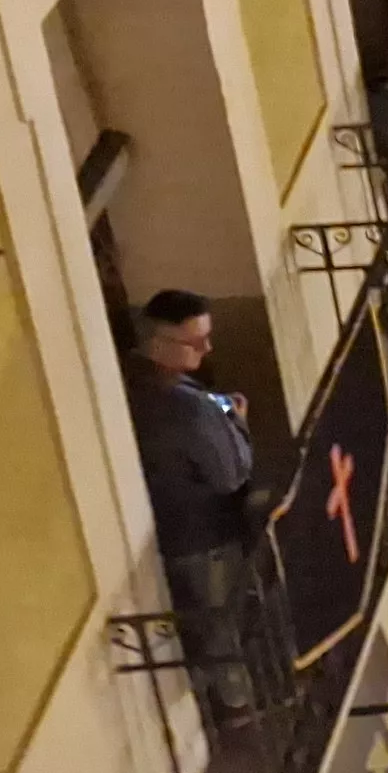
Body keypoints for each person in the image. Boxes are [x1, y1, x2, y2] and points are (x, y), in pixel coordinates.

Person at [123, 291, 260, 710]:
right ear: (158, 341)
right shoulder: (188, 406)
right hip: (206, 537)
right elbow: (230, 474)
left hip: (164, 533)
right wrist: (236, 423)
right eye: (194, 342)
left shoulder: (126, 381)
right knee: (221, 629)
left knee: (197, 627)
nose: (207, 349)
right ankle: (236, 708)